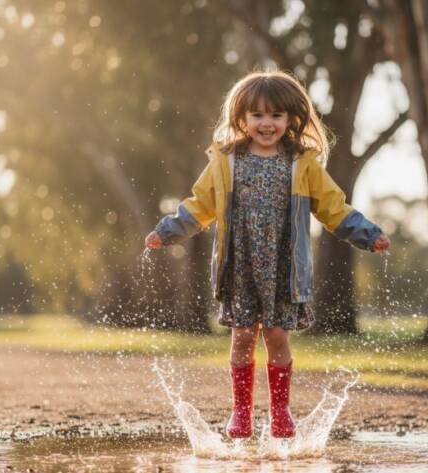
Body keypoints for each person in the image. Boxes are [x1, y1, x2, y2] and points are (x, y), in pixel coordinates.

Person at [145, 70, 389, 439]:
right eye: (257, 115)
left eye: (275, 115)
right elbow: (199, 206)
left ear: (291, 119)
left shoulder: (302, 163)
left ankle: (280, 412)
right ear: (241, 118)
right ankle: (240, 412)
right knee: (242, 336)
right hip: (240, 266)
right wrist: (167, 232)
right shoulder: (226, 161)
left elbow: (333, 207)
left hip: (283, 268)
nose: (266, 123)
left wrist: (368, 235)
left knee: (276, 336)